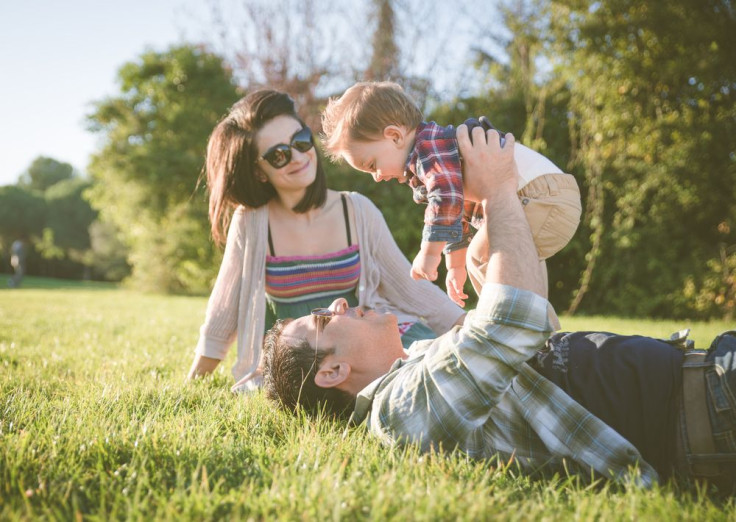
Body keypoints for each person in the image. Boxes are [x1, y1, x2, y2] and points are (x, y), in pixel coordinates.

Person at [262, 126, 736, 491]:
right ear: (332, 372)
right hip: (708, 409)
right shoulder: (399, 410)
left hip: (707, 374)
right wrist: (499, 190)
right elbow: (514, 323)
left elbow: (537, 328)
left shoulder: (423, 361)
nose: (341, 303)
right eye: (324, 319)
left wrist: (487, 232)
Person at [188, 90, 465, 392]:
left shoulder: (357, 210)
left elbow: (411, 288)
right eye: (278, 155)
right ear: (259, 171)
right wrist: (195, 380)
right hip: (306, 364)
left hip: (367, 348)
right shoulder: (252, 221)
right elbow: (224, 306)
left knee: (444, 377)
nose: (297, 157)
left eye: (301, 141)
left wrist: (469, 325)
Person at [321, 81, 581, 312]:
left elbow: (444, 199)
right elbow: (458, 210)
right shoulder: (440, 152)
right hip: (550, 195)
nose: (376, 177)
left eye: (371, 164)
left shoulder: (428, 148)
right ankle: (536, 333)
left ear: (395, 136)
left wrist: (429, 253)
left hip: (541, 195)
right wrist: (456, 266)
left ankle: (504, 325)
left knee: (483, 257)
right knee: (512, 266)